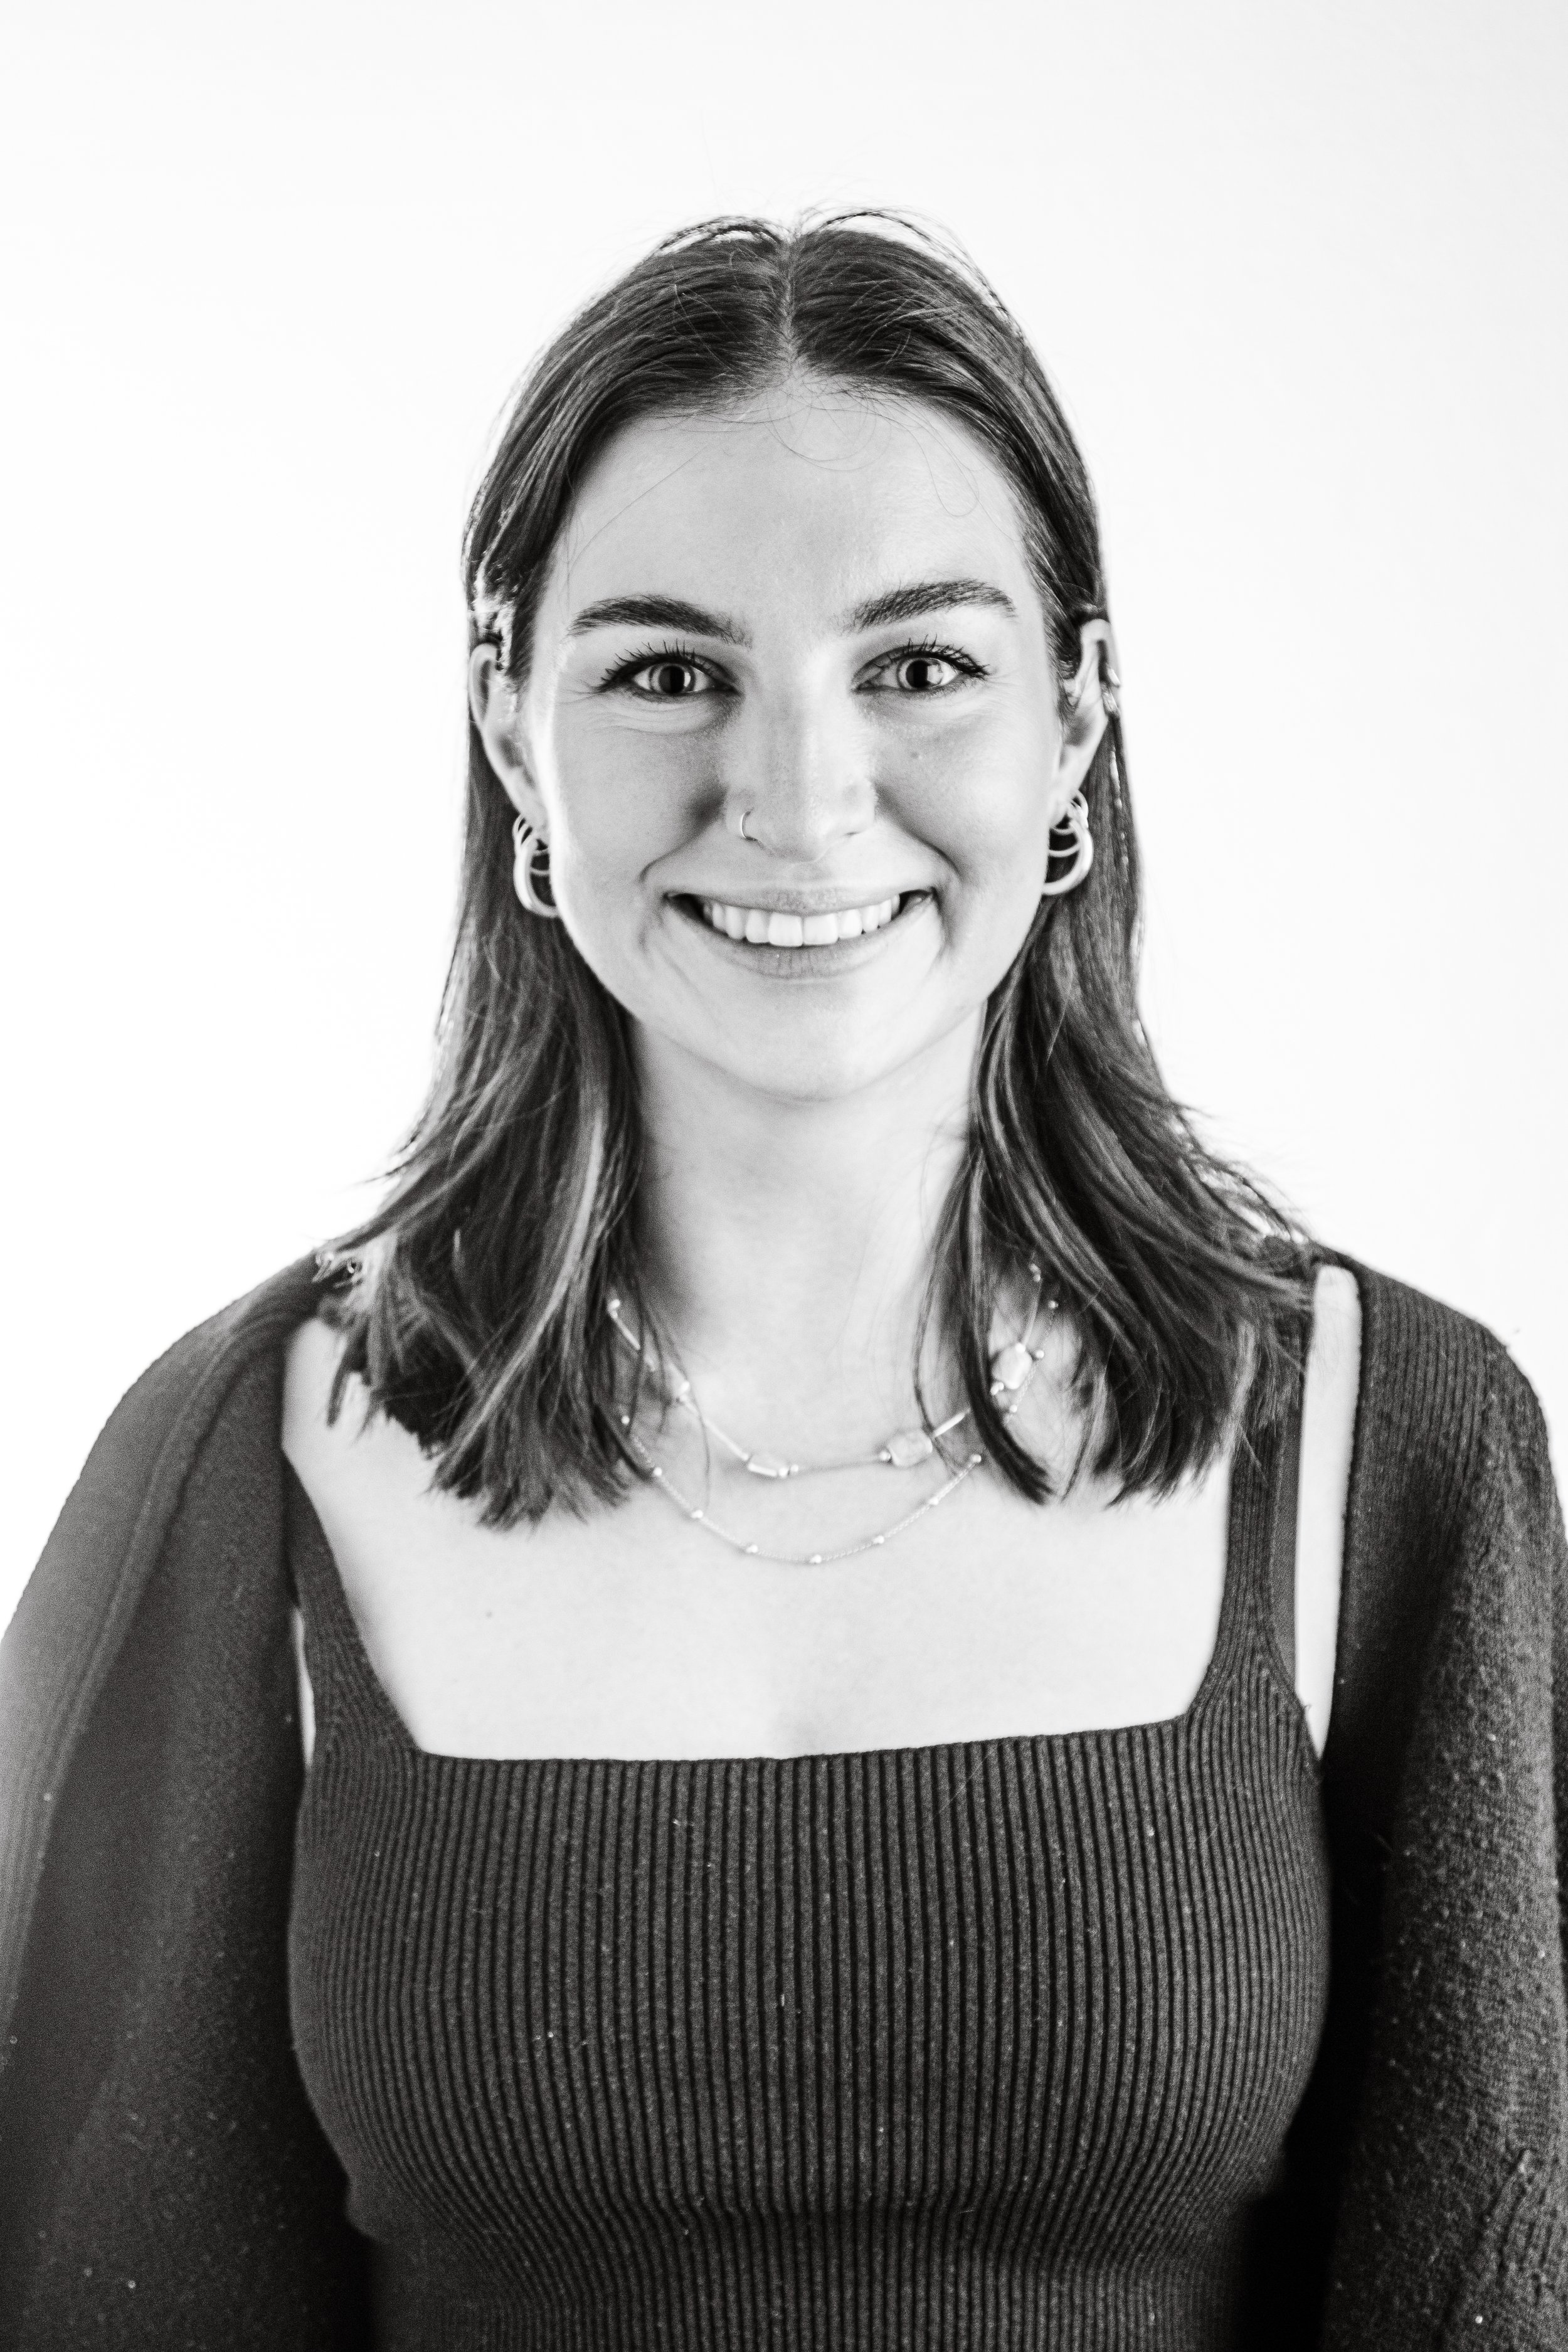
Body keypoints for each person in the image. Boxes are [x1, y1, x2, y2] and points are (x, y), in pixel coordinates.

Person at [1, 215, 1563, 2352]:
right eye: (665, 672)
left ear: (1076, 722)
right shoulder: (248, 1458)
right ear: (509, 735)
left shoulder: (1394, 1454)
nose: (798, 799)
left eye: (918, 666)